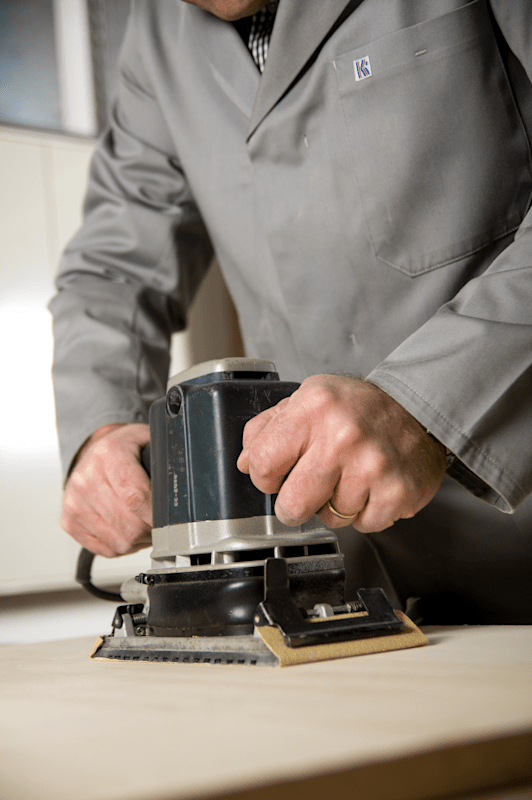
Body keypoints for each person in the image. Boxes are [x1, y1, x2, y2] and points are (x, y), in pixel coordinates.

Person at [50, 0, 532, 623]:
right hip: (337, 574)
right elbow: (114, 270)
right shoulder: (156, 30)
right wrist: (100, 431)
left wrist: (425, 402)